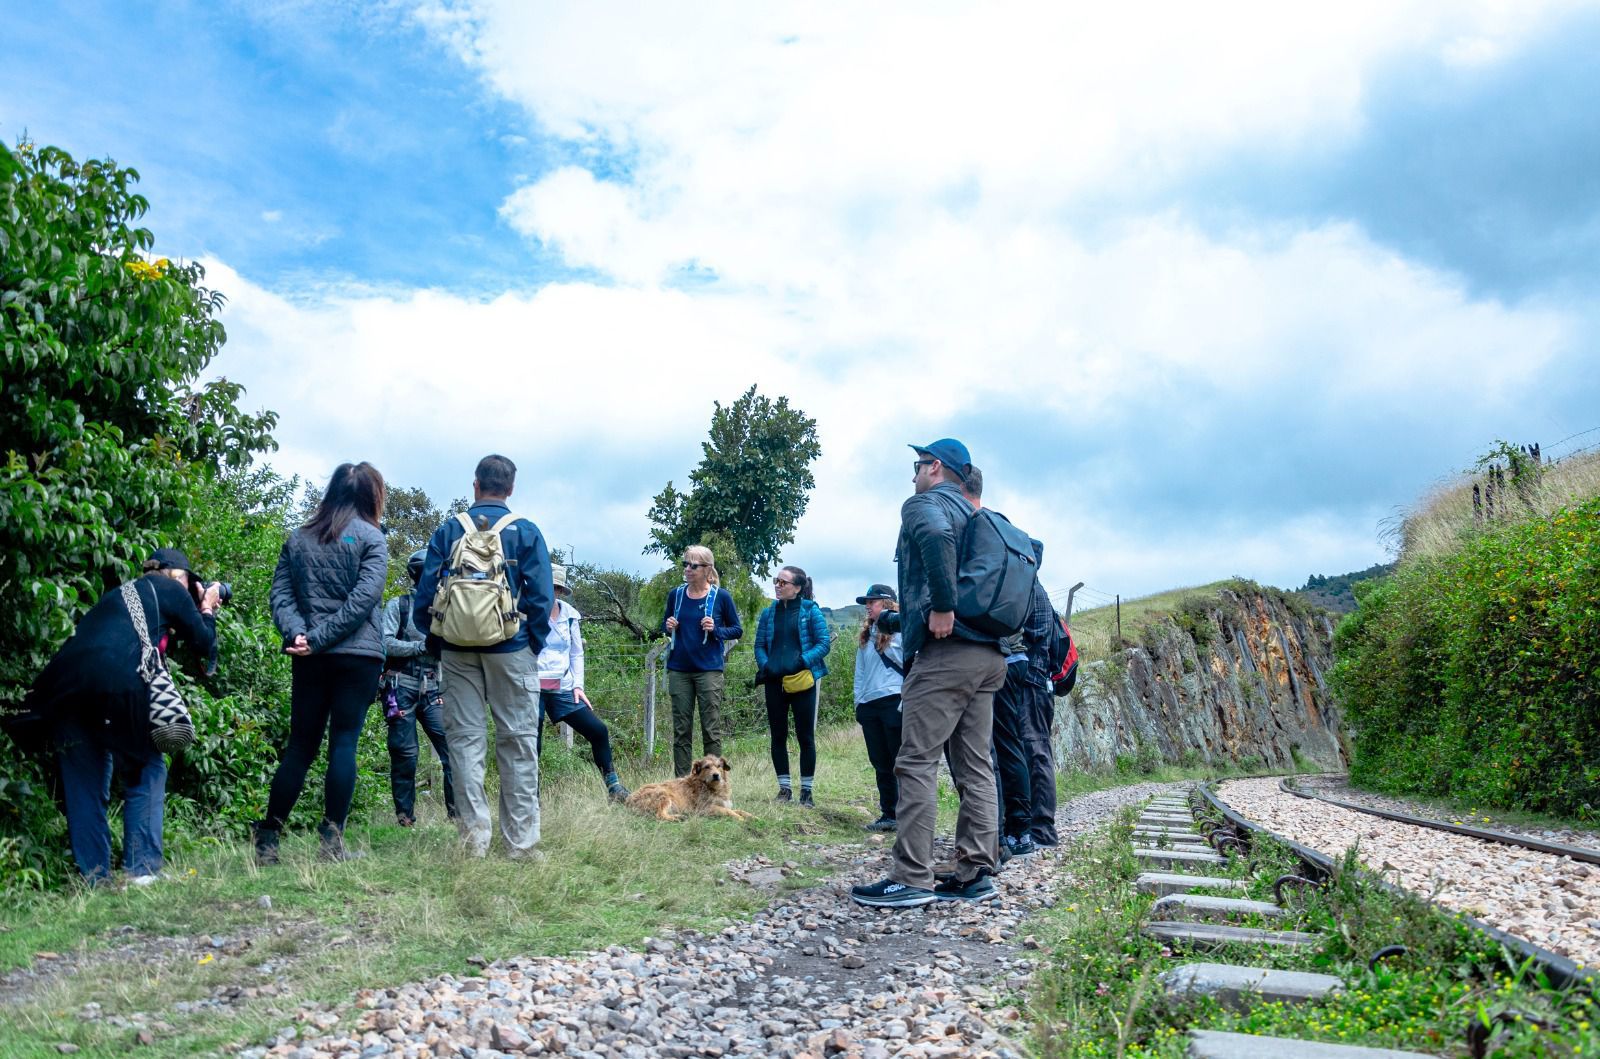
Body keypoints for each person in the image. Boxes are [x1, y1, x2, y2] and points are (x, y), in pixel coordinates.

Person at [852, 438, 1007, 908]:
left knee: (915, 761)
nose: (913, 474)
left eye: (917, 465)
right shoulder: (978, 516)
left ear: (936, 468)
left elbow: (936, 540)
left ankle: (911, 877)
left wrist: (941, 607)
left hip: (945, 654)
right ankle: (975, 872)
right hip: (988, 655)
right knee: (975, 766)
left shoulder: (924, 504)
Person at [27, 549, 220, 884]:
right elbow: (204, 643)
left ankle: (95, 879)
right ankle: (142, 871)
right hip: (116, 686)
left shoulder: (120, 596)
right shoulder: (171, 589)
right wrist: (206, 608)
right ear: (179, 576)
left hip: (63, 692)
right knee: (146, 768)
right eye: (190, 581)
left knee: (85, 785)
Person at [413, 454, 553, 859]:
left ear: (475, 485)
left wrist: (439, 642)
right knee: (518, 743)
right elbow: (542, 598)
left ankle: (474, 841)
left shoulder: (449, 530)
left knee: (464, 744)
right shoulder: (525, 531)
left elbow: (426, 594)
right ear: (510, 488)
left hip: (457, 651)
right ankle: (520, 845)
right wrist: (530, 644)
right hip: (511, 648)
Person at [259, 461, 389, 865]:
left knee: (300, 746)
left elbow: (280, 595)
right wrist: (315, 640)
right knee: (344, 743)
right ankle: (331, 843)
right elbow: (361, 603)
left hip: (310, 658)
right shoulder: (373, 539)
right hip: (358, 655)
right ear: (372, 496)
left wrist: (300, 636)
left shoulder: (298, 538)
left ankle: (268, 838)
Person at [535, 564, 630, 802]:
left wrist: (578, 686)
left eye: (556, 588)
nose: (551, 591)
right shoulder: (526, 610)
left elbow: (576, 653)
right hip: (531, 686)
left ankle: (614, 788)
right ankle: (530, 799)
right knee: (530, 743)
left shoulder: (569, 615)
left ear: (560, 590)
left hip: (563, 687)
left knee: (598, 730)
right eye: (548, 586)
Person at [382, 548, 457, 827]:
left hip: (435, 687)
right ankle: (405, 819)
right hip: (400, 685)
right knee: (405, 754)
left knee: (452, 748)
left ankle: (456, 816)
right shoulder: (398, 606)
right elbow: (385, 642)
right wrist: (419, 646)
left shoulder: (447, 608)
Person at [661, 545, 743, 777]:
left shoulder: (721, 596)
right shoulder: (675, 595)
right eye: (685, 564)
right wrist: (667, 626)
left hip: (708, 670)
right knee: (681, 730)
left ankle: (714, 782)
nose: (687, 569)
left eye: (693, 565)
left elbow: (737, 630)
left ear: (707, 569)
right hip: (679, 669)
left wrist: (716, 629)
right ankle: (683, 784)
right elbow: (663, 625)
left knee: (711, 729)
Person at [753, 565, 831, 806]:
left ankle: (806, 793)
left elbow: (823, 643)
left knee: (805, 737)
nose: (778, 585)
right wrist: (766, 665)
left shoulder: (810, 612)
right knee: (778, 736)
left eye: (783, 582)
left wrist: (802, 661)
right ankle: (784, 790)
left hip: (802, 682)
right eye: (776, 581)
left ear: (797, 588)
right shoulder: (768, 613)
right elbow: (759, 645)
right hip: (774, 682)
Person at [851, 584, 904, 832]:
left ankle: (909, 813)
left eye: (873, 602)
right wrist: (858, 702)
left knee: (899, 760)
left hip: (894, 699)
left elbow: (909, 664)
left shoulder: (901, 631)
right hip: (870, 704)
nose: (868, 606)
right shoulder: (866, 636)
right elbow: (860, 672)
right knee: (880, 761)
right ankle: (889, 813)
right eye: (867, 602)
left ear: (887, 604)